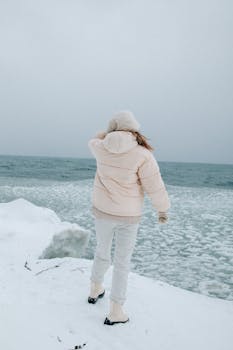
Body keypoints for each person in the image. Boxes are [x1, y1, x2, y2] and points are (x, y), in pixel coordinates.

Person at [87, 110, 171, 325]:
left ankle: (95, 288)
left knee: (101, 250)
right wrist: (162, 209)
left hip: (103, 212)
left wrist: (108, 133)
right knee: (122, 262)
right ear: (134, 128)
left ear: (112, 127)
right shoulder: (143, 154)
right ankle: (116, 311)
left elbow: (93, 139)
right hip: (129, 216)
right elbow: (154, 185)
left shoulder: (100, 147)